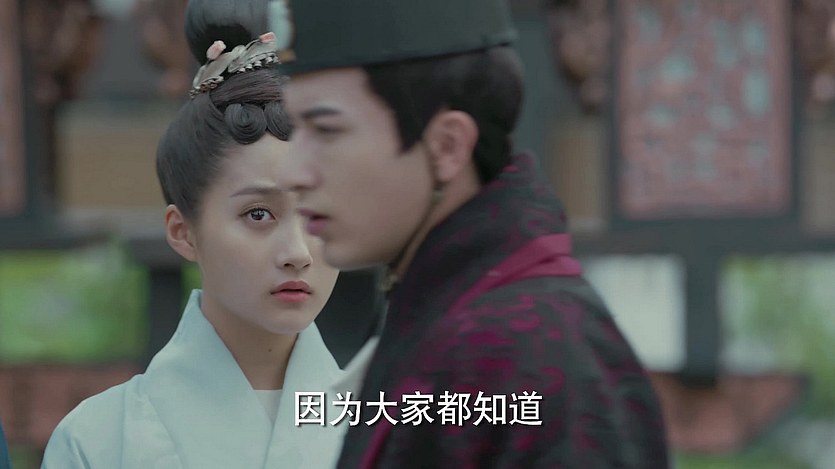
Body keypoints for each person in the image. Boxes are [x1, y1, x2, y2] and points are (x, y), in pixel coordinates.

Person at [271, 0, 670, 467]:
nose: (292, 173)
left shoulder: (536, 351)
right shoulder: (451, 316)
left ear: (447, 145)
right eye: (294, 131)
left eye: (325, 130)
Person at [42, 1, 365, 467]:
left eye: (316, 214)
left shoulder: (391, 430)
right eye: (258, 214)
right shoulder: (97, 439)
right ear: (183, 231)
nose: (298, 253)